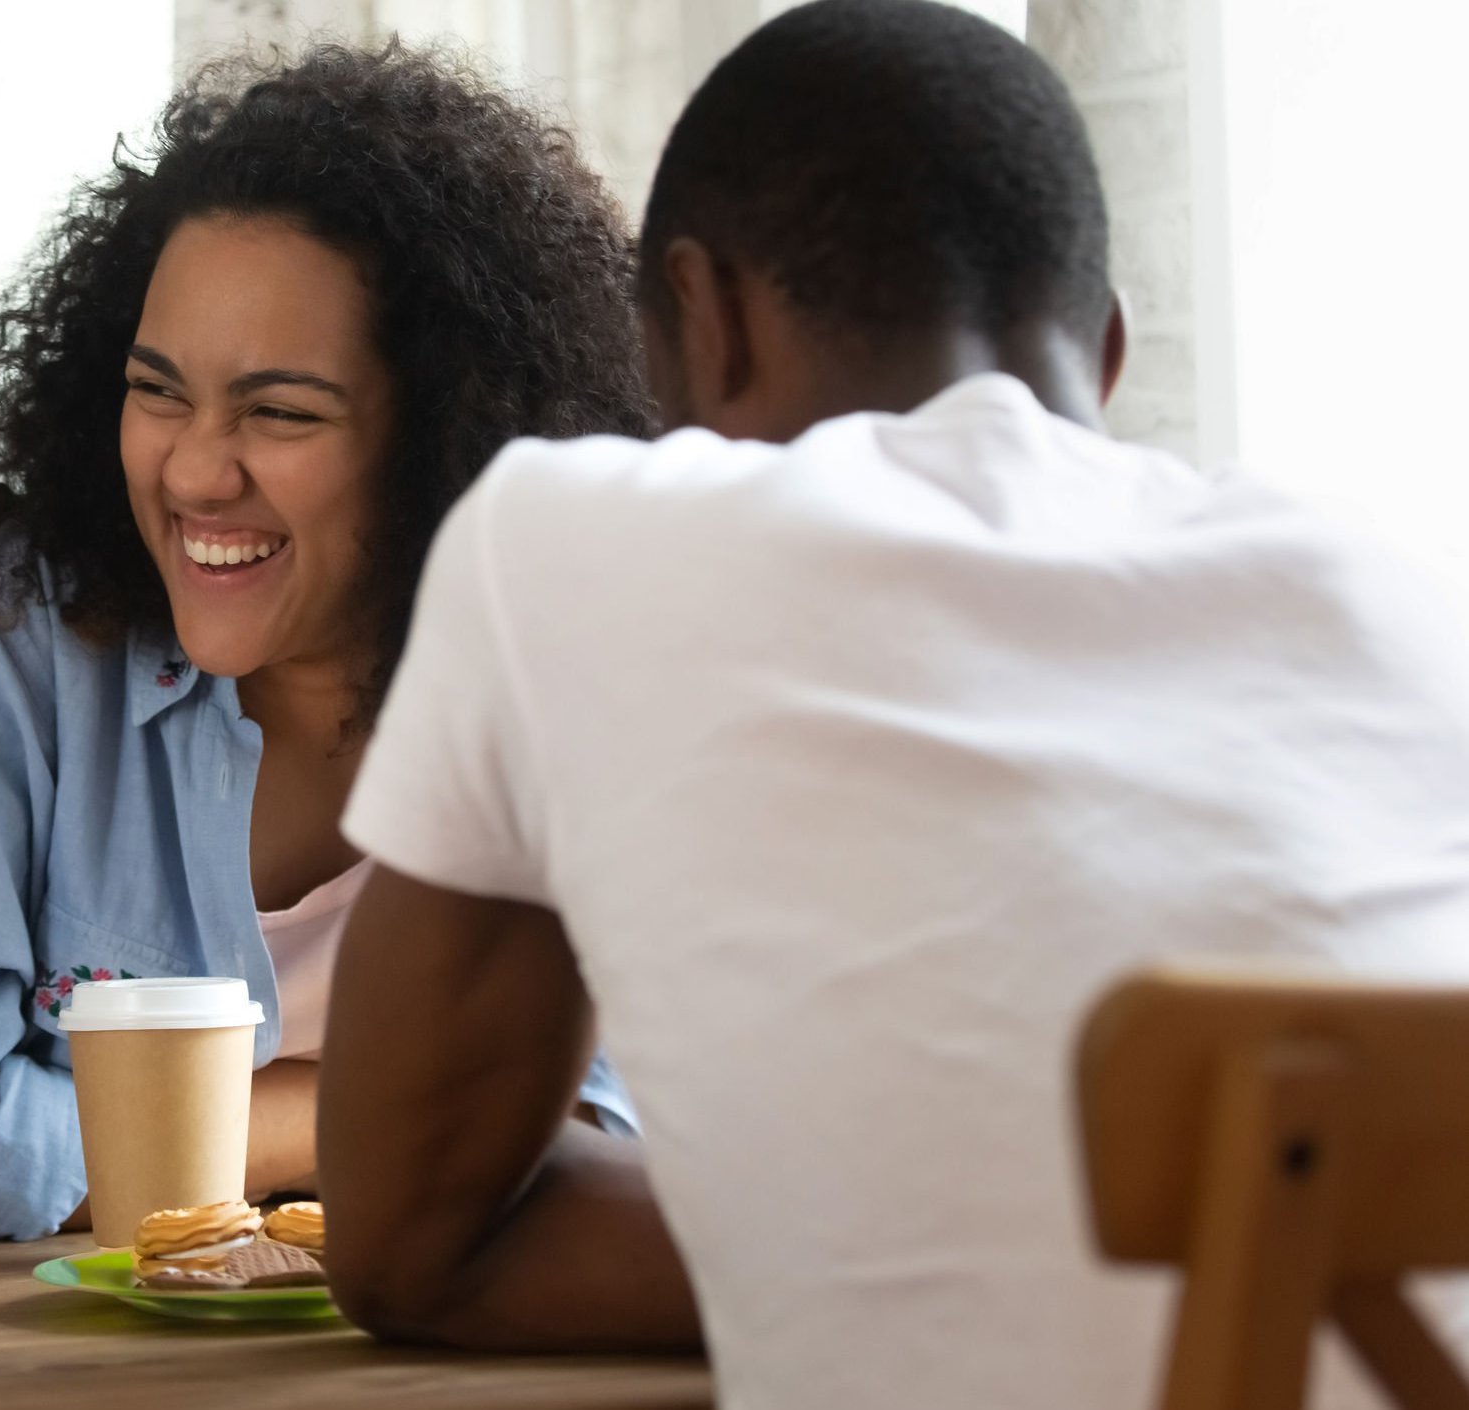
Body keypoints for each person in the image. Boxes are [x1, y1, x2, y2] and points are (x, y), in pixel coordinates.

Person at [319, 1, 1469, 1404]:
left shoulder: (564, 534)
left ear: (707, 316)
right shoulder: (1385, 591)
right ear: (1105, 352)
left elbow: (411, 1246)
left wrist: (860, 1239)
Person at [0, 42, 650, 1242]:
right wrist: (387, 1113)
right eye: (158, 391)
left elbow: (622, 1127)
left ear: (450, 435)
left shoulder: (566, 676)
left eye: (279, 411)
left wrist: (143, 1141)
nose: (193, 469)